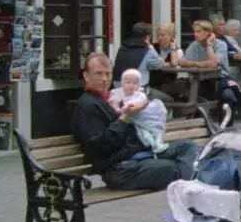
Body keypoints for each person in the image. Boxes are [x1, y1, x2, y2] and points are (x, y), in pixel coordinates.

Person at [71, 52, 198, 190]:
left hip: (142, 152)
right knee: (173, 168)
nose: (104, 79)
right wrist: (125, 117)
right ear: (86, 76)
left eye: (108, 74)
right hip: (120, 168)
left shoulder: (114, 98)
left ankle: (190, 187)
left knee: (188, 146)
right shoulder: (86, 106)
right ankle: (190, 193)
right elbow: (99, 149)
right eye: (98, 74)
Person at [182, 19, 238, 116]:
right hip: (201, 79)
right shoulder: (193, 46)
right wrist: (201, 64)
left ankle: (226, 127)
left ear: (208, 33)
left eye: (199, 31)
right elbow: (182, 62)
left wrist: (208, 44)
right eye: (194, 31)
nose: (195, 34)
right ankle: (200, 125)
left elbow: (213, 63)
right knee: (196, 95)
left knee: (228, 96)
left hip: (220, 78)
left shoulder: (221, 44)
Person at [111, 21, 167, 88]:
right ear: (147, 36)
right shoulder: (147, 50)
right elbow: (159, 64)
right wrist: (151, 47)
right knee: (167, 98)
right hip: (137, 89)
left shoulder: (123, 47)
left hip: (117, 86)